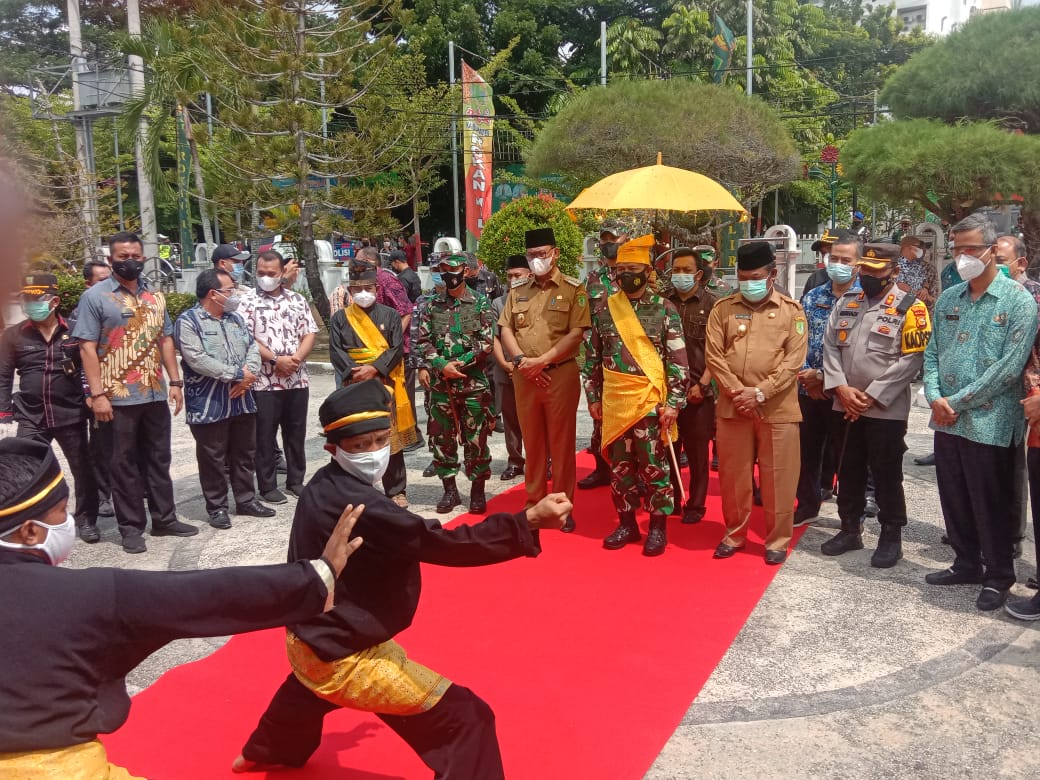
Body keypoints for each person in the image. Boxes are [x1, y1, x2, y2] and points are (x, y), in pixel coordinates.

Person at [232, 380, 572, 778]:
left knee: (307, 687)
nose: (373, 452)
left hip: (311, 637)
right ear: (333, 449)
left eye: (380, 439)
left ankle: (266, 750)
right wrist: (526, 522)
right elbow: (440, 543)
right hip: (342, 654)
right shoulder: (360, 504)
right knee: (467, 717)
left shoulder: (323, 484)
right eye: (359, 446)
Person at [0, 437, 365, 778]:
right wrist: (320, 574)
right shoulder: (86, 594)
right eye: (62, 512)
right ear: (30, 532)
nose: (69, 522)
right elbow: (208, 594)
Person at [923, 213, 1038, 612]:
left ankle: (998, 575)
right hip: (946, 418)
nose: (963, 256)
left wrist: (956, 401)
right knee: (953, 495)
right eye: (957, 249)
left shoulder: (1018, 302)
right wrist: (935, 395)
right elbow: (933, 351)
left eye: (972, 248)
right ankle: (966, 562)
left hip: (989, 420)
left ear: (992, 250)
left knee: (989, 499)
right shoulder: (950, 298)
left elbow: (1008, 368)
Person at [73, 231, 198, 554]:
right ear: (111, 259)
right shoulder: (95, 297)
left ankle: (164, 518)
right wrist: (97, 394)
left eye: (135, 256)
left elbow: (166, 340)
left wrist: (175, 382)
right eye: (122, 256)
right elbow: (86, 346)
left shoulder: (155, 297)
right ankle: (130, 527)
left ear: (144, 257)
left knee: (159, 459)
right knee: (122, 463)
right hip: (116, 397)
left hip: (155, 392)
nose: (130, 261)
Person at [820, 243, 932, 567]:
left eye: (876, 271)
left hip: (885, 409)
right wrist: (841, 388)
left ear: (895, 272)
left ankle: (891, 536)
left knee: (886, 473)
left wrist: (870, 395)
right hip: (845, 404)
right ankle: (849, 528)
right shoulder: (846, 302)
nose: (867, 275)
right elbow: (830, 348)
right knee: (849, 469)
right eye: (865, 269)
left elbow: (912, 360)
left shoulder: (912, 308)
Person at [584, 234, 688, 556]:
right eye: (622, 268)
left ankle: (657, 527)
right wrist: (593, 398)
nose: (627, 273)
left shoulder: (665, 309)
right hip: (615, 405)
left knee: (655, 467)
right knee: (621, 468)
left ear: (648, 271)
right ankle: (627, 524)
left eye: (634, 268)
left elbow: (679, 361)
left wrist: (673, 404)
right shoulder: (604, 310)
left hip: (650, 404)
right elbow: (592, 359)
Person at [705, 241, 808, 565]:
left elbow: (793, 361)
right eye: (743, 276)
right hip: (733, 408)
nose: (748, 282)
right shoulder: (723, 309)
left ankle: (776, 539)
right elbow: (715, 356)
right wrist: (739, 393)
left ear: (772, 274)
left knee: (779, 476)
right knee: (734, 477)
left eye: (756, 276)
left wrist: (760, 392)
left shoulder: (792, 311)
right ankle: (734, 533)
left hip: (778, 410)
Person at [498, 227, 591, 532]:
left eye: (542, 254)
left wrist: (543, 361)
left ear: (555, 253)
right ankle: (534, 504)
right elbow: (506, 330)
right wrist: (522, 361)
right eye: (532, 255)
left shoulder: (573, 289)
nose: (537, 259)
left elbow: (577, 333)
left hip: (559, 374)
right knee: (533, 443)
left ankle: (563, 505)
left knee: (561, 444)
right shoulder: (518, 290)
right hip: (525, 376)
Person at [0, 274, 99, 542]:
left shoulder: (76, 332)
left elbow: (91, 367)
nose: (30, 304)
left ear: (54, 301)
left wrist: (94, 396)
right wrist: (4, 411)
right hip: (31, 416)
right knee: (22, 471)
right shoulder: (14, 335)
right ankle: (22, 523)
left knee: (83, 469)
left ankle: (87, 520)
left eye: (36, 299)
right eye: (27, 299)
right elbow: (4, 375)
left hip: (70, 413)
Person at [175, 269, 275, 530]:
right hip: (209, 403)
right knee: (213, 457)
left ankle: (246, 500)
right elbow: (196, 359)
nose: (234, 295)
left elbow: (252, 347)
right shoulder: (189, 321)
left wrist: (249, 375)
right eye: (230, 290)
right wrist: (235, 376)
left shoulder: (236, 319)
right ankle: (217, 507)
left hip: (242, 398)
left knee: (244, 453)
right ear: (213, 294)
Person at [329, 267, 417, 507]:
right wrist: (355, 373)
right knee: (355, 437)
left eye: (368, 288)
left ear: (377, 290)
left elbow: (397, 348)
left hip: (383, 384)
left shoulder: (389, 315)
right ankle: (356, 489)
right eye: (358, 289)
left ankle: (396, 490)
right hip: (353, 383)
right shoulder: (340, 318)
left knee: (388, 436)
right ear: (350, 290)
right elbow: (336, 352)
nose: (363, 293)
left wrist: (375, 369)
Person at [416, 254, 496, 514]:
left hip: (473, 385)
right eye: (443, 269)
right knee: (442, 440)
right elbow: (423, 342)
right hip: (442, 388)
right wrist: (441, 366)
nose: (449, 273)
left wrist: (457, 365)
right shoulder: (431, 306)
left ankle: (477, 492)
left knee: (476, 441)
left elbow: (486, 343)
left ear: (465, 270)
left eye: (454, 268)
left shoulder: (481, 302)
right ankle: (450, 491)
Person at [240, 249, 318, 505]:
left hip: (296, 379)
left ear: (282, 272)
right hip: (263, 381)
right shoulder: (247, 302)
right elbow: (247, 339)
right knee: (264, 435)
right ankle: (267, 485)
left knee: (295, 433)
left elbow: (309, 333)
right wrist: (275, 360)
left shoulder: (296, 300)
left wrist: (295, 360)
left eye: (271, 273)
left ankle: (296, 480)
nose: (265, 278)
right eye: (261, 273)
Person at [794, 235, 861, 526]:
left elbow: (860, 350)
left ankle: (849, 520)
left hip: (844, 393)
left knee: (848, 459)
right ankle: (807, 505)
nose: (839, 264)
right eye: (835, 258)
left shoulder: (865, 300)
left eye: (847, 260)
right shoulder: (813, 296)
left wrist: (826, 379)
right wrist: (809, 376)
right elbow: (798, 338)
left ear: (859, 265)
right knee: (806, 453)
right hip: (807, 389)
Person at [666, 248, 718, 525]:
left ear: (698, 274)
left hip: (699, 391)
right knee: (669, 447)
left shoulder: (712, 305)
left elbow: (718, 350)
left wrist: (703, 384)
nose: (680, 275)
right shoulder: (662, 303)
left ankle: (696, 504)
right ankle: (673, 498)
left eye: (686, 270)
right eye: (676, 270)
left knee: (698, 453)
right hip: (667, 391)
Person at [578, 224, 627, 489]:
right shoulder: (594, 280)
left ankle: (634, 473)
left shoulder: (636, 273)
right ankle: (601, 469)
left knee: (632, 418)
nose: (608, 244)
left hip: (631, 359)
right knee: (599, 415)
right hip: (599, 357)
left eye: (613, 239)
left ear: (625, 240)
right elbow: (586, 318)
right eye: (604, 239)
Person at [71, 259, 116, 520]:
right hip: (95, 392)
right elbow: (83, 358)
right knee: (99, 446)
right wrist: (92, 393)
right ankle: (101, 496)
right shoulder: (83, 312)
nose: (107, 285)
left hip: (118, 389)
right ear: (88, 284)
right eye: (101, 281)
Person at [491, 255, 531, 481]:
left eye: (518, 275)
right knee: (511, 419)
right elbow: (494, 338)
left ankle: (541, 459)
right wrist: (505, 364)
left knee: (535, 419)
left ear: (529, 275)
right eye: (509, 276)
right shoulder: (498, 303)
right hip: (505, 371)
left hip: (531, 371)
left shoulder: (538, 300)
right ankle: (515, 461)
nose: (513, 279)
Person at [895, 235, 939, 311]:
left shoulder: (916, 264)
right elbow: (900, 285)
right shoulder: (897, 264)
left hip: (918, 307)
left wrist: (925, 289)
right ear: (909, 247)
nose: (920, 250)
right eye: (918, 247)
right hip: (902, 307)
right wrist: (916, 294)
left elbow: (925, 281)